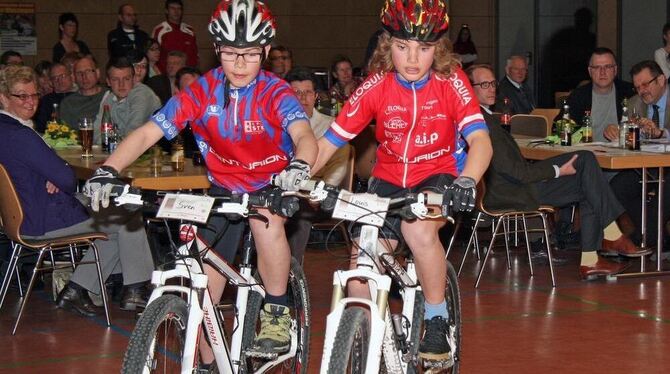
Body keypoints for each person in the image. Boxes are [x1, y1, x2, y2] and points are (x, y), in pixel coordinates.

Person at [82, 0, 317, 365]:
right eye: (230, 53)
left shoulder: (275, 92)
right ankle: (210, 364)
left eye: (251, 54)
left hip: (269, 186)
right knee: (204, 291)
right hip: (222, 189)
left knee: (266, 224)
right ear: (217, 49)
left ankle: (276, 310)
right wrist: (108, 169)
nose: (239, 64)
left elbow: (304, 135)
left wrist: (299, 166)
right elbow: (147, 134)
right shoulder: (202, 90)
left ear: (266, 52)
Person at [313, 0, 492, 363]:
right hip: (389, 179)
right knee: (360, 268)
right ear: (386, 45)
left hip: (443, 173)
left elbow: (481, 141)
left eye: (423, 49)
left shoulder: (451, 80)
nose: (412, 58)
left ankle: (438, 317)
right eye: (402, 46)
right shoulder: (377, 84)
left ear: (438, 49)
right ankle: (359, 345)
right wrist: (296, 171)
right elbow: (330, 140)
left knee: (417, 231)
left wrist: (468, 180)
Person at [467, 63, 650, 279]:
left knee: (589, 182)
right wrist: (556, 170)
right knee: (585, 160)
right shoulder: (482, 123)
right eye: (484, 84)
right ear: (470, 89)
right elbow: (517, 172)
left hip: (510, 187)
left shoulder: (483, 117)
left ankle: (594, 258)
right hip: (511, 192)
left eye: (493, 83)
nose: (491, 89)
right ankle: (609, 236)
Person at [0, 65, 154, 316]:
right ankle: (135, 290)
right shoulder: (21, 135)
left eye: (34, 94)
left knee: (115, 222)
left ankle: (77, 290)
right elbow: (68, 180)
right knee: (128, 213)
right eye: (21, 96)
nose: (30, 102)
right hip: (42, 220)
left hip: (18, 217)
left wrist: (51, 172)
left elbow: (50, 173)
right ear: (4, 97)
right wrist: (56, 171)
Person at [284, 67, 350, 264]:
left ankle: (292, 271)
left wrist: (319, 192)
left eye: (308, 92)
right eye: (296, 93)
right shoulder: (276, 125)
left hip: (319, 195)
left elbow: (339, 167)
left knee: (298, 210)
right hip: (283, 189)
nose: (303, 98)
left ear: (316, 96)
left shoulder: (331, 126)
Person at [609, 60, 670, 250]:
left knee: (664, 192)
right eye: (637, 87)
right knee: (616, 187)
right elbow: (628, 139)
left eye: (645, 84)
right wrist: (618, 132)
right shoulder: (635, 103)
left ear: (661, 79)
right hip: (647, 165)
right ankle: (653, 238)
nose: (642, 91)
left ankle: (647, 239)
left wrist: (661, 133)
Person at [563, 47, 634, 142]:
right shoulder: (578, 97)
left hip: (623, 153)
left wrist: (620, 130)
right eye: (597, 67)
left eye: (607, 67)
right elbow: (560, 129)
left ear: (615, 70)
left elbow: (640, 125)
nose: (602, 72)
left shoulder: (630, 92)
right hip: (587, 152)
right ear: (590, 71)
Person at [93, 57, 161, 143]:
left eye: (126, 79)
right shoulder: (109, 98)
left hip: (151, 153)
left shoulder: (141, 94)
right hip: (122, 151)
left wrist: (110, 142)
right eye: (115, 79)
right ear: (108, 82)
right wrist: (109, 143)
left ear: (134, 79)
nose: (121, 84)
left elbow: (133, 134)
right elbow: (97, 132)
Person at [60, 56, 107, 129]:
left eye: (88, 71)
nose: (84, 76)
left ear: (97, 73)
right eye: (79, 73)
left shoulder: (110, 96)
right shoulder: (68, 104)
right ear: (74, 77)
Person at [152, 0, 198, 71]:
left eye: (179, 8)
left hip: (186, 75)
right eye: (172, 8)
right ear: (166, 11)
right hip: (165, 76)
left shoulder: (190, 31)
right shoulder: (159, 30)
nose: (176, 11)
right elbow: (152, 56)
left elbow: (195, 56)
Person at [33, 62, 76, 133]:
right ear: (51, 82)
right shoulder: (45, 101)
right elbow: (40, 128)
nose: (59, 81)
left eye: (62, 76)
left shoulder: (81, 96)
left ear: (71, 76)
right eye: (55, 78)